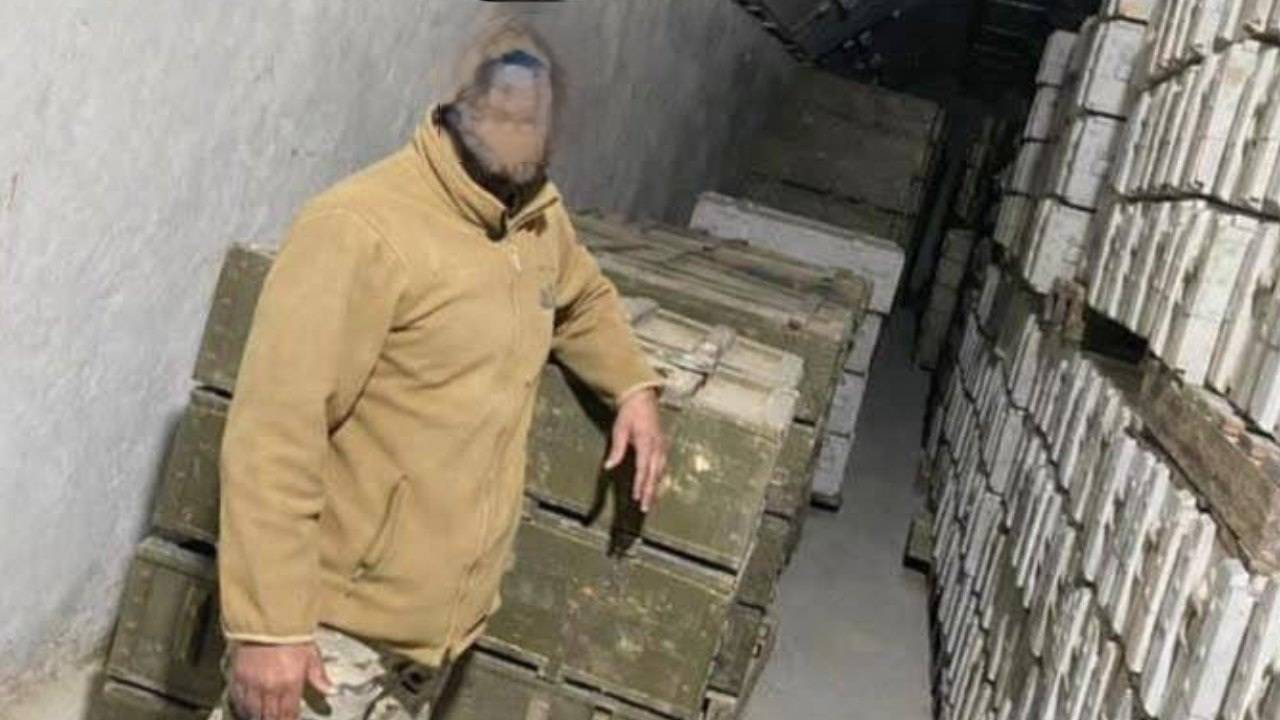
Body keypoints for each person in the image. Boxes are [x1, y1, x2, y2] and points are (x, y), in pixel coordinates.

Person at [210, 22, 667, 720]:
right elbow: (274, 432)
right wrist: (269, 630)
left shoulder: (535, 221)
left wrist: (632, 386)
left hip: (434, 641)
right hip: (329, 639)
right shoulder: (358, 229)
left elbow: (583, 298)